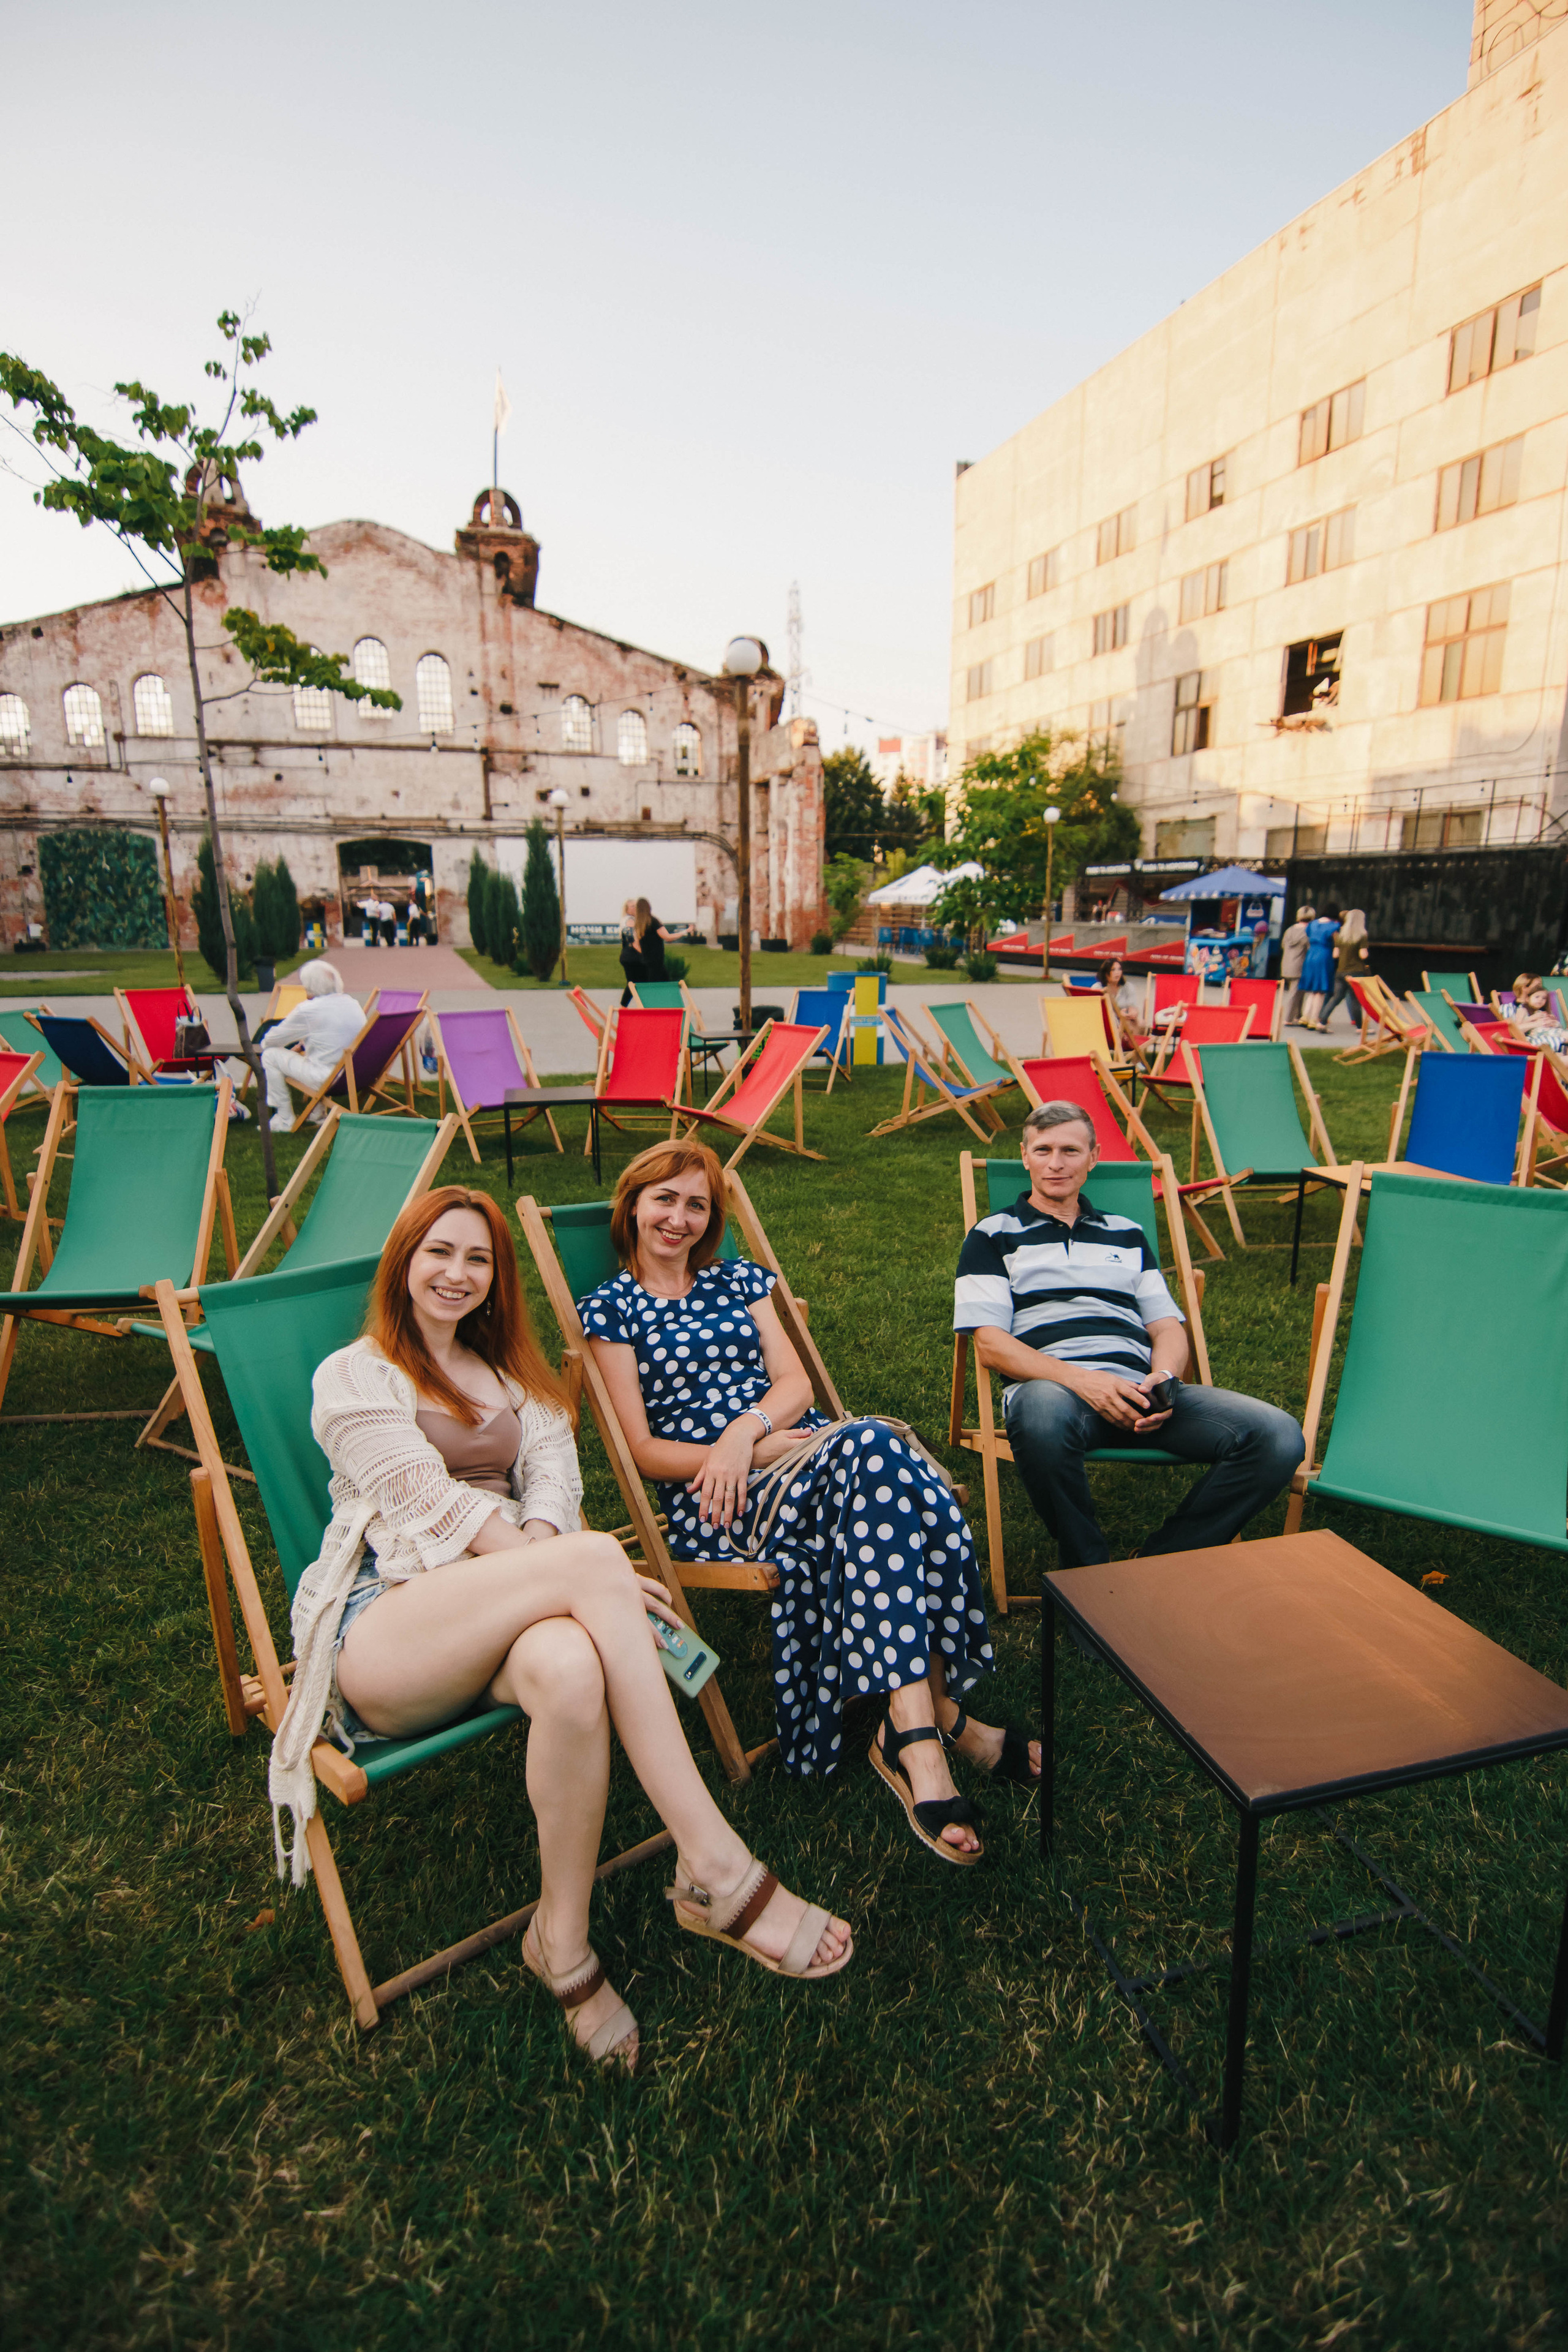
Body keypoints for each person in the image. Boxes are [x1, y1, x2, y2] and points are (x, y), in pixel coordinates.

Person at [267, 1186, 852, 2074]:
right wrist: (578, 1573)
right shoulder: (354, 1374)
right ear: (405, 1263)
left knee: (575, 1668)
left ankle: (563, 1946)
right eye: (439, 1253)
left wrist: (561, 1574)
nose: (457, 1275)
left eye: (477, 1260)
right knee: (594, 1563)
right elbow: (428, 1505)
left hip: (514, 1617)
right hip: (390, 1630)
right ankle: (718, 1867)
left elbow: (552, 1494)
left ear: (497, 1282)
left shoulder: (517, 1385)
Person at [582, 1141, 1040, 1866]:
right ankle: (939, 1725)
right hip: (720, 1501)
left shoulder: (740, 1282)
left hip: (796, 1453)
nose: (678, 1218)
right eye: (663, 1199)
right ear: (632, 1206)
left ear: (712, 1218)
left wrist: (747, 1430)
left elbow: (794, 1384)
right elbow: (642, 1450)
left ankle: (914, 1734)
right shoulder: (610, 1312)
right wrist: (734, 1458)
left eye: (696, 1204)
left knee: (872, 1463)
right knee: (885, 1460)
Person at [954, 1101, 1304, 1572]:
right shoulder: (992, 1235)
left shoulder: (1127, 1233)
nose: (1056, 1163)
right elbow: (991, 1343)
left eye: (1070, 1150)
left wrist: (1162, 1379)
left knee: (1279, 1436)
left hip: (1140, 1395)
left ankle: (1162, 1562)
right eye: (1044, 1150)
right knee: (1037, 1412)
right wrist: (1085, 1383)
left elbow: (1165, 1327)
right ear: (1025, 1156)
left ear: (1093, 1158)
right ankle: (1089, 1573)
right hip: (1057, 1393)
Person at [260, 959, 366, 1131]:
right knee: (321, 1053)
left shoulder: (308, 1010)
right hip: (356, 1075)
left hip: (328, 1078)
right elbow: (337, 1037)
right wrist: (305, 1042)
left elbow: (270, 1041)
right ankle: (317, 1114)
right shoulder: (351, 1003)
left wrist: (299, 1038)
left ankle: (285, 1119)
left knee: (270, 1055)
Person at [618, 897, 692, 1006]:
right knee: (664, 987)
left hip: (646, 961)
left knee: (646, 986)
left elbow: (636, 942)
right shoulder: (652, 921)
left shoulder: (639, 923)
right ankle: (668, 1010)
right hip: (656, 961)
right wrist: (685, 932)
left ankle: (645, 1009)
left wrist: (644, 954)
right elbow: (667, 937)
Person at [1324, 910, 1370, 1028]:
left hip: (1341, 971)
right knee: (1355, 999)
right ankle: (1360, 1027)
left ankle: (1322, 1021)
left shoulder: (1341, 935)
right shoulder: (1362, 935)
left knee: (1336, 998)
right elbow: (1363, 955)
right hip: (1356, 971)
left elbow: (1335, 954)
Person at [1297, 910, 1341, 1031]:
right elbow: (1336, 941)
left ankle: (1305, 1016)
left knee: (1312, 990)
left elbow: (1308, 934)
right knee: (1321, 990)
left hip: (1311, 954)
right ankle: (1314, 1019)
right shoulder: (1334, 926)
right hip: (1324, 955)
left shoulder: (1312, 924)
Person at [1096, 957, 1145, 1054]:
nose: (1118, 972)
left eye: (1119, 969)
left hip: (1125, 1021)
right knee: (1131, 1027)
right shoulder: (1098, 988)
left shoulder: (1127, 987)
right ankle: (1134, 1056)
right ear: (1106, 973)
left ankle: (1134, 1058)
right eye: (1113, 970)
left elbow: (1132, 1005)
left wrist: (1133, 1012)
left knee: (1141, 1024)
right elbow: (1099, 1011)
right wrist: (1118, 1014)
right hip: (1107, 1023)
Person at [1510, 974, 1568, 1053]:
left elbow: (1559, 1026)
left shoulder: (1543, 1011)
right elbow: (1516, 1029)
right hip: (1538, 1035)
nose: (1540, 1000)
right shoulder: (1522, 1009)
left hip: (1550, 1032)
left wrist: (1554, 1023)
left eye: (1544, 998)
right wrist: (1535, 1019)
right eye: (1537, 997)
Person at [1281, 905, 1314, 1028]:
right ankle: (1288, 1018)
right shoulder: (1308, 932)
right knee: (1295, 992)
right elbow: (1310, 949)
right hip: (1300, 964)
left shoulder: (1289, 930)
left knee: (1299, 991)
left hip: (1287, 963)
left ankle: (1298, 1015)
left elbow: (1284, 945)